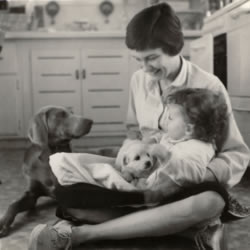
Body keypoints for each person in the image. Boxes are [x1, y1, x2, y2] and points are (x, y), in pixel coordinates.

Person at [28, 3, 250, 250]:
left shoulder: (210, 86)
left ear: (174, 47)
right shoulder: (139, 80)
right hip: (142, 181)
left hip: (189, 183)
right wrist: (128, 160)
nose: (145, 68)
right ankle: (186, 232)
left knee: (209, 202)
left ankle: (86, 234)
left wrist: (191, 176)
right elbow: (133, 131)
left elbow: (236, 155)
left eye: (152, 57)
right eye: (138, 60)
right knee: (66, 192)